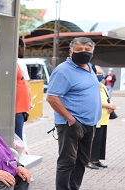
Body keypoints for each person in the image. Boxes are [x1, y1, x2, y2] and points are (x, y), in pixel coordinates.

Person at [46, 37, 101, 190]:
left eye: (87, 50)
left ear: (92, 52)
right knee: (67, 161)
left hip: (90, 123)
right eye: (79, 50)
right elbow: (51, 97)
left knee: (81, 161)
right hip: (71, 124)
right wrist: (70, 119)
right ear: (71, 52)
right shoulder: (63, 70)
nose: (83, 53)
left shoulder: (90, 67)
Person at [0, 38, 31, 140]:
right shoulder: (20, 63)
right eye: (24, 47)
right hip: (18, 104)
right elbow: (26, 85)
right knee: (17, 133)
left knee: (3, 130)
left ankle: (5, 152)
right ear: (19, 47)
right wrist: (29, 103)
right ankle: (15, 153)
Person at [86, 65, 116, 170]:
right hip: (96, 117)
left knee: (100, 140)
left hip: (104, 118)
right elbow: (93, 100)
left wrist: (112, 104)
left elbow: (107, 97)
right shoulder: (91, 85)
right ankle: (89, 160)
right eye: (98, 73)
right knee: (94, 140)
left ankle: (96, 159)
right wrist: (109, 106)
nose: (100, 75)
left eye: (101, 73)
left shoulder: (101, 85)